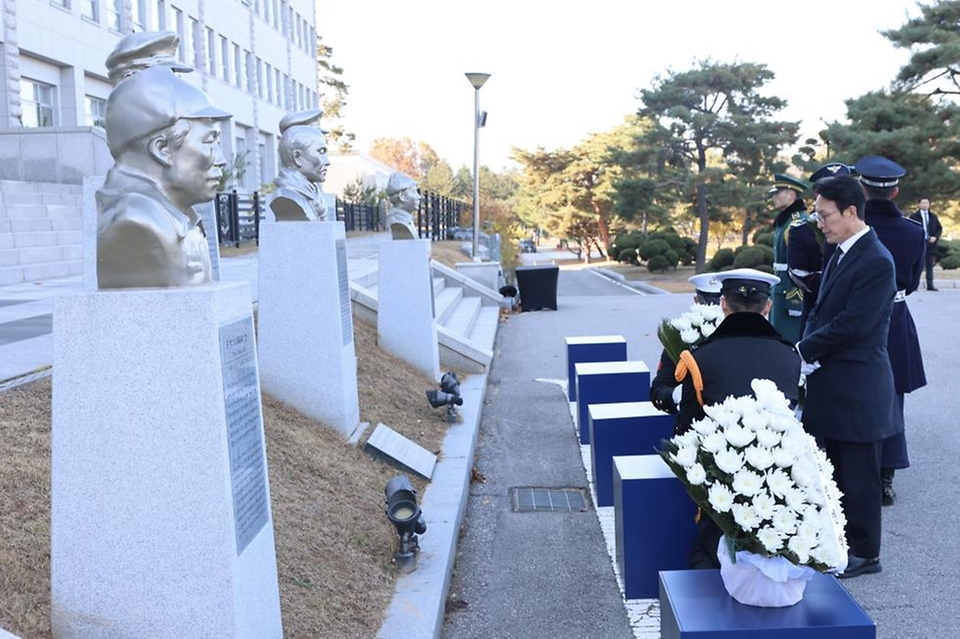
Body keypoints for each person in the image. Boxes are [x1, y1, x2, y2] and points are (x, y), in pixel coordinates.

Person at [797, 174, 901, 579]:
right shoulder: (839, 249)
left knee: (859, 477)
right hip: (832, 380)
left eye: (825, 215)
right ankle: (838, 544)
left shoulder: (876, 259)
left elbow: (854, 324)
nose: (820, 223)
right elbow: (822, 310)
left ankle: (865, 554)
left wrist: (803, 350)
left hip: (858, 386)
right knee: (834, 470)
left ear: (851, 212)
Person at [674, 268, 801, 569]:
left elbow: (688, 428)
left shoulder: (699, 357)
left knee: (705, 552)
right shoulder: (791, 356)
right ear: (768, 306)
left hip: (721, 480)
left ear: (723, 304)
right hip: (778, 480)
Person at [96, 34, 231, 289]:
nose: (221, 160)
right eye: (210, 141)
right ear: (162, 149)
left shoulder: (179, 218)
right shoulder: (136, 224)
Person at [849, 156, 927, 506]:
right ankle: (886, 476)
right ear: (896, 191)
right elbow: (911, 282)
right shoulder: (914, 231)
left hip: (854, 316)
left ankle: (855, 472)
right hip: (894, 316)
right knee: (892, 397)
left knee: (853, 393)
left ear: (862, 189)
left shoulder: (852, 228)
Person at [649, 273, 722, 415]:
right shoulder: (681, 336)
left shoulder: (737, 333)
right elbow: (658, 390)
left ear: (725, 302)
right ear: (696, 300)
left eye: (718, 301)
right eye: (706, 301)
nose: (712, 306)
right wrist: (675, 394)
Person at [768, 173, 817, 344]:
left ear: (790, 195)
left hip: (789, 292)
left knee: (789, 339)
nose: (773, 197)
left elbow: (799, 265)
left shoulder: (797, 223)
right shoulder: (786, 221)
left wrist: (794, 300)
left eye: (777, 193)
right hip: (779, 288)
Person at [269, 109, 331, 222]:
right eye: (321, 152)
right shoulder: (286, 198)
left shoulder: (313, 194)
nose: (327, 161)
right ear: (297, 157)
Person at [910, 197, 943, 291]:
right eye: (923, 203)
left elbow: (939, 228)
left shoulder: (933, 216)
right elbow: (910, 229)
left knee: (929, 265)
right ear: (919, 204)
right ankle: (914, 285)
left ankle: (930, 285)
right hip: (919, 243)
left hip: (930, 244)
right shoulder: (914, 216)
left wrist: (935, 237)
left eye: (927, 203)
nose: (925, 205)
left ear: (929, 204)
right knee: (917, 265)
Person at [385, 172, 421, 240]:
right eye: (414, 192)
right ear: (402, 196)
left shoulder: (406, 219)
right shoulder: (397, 222)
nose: (419, 197)